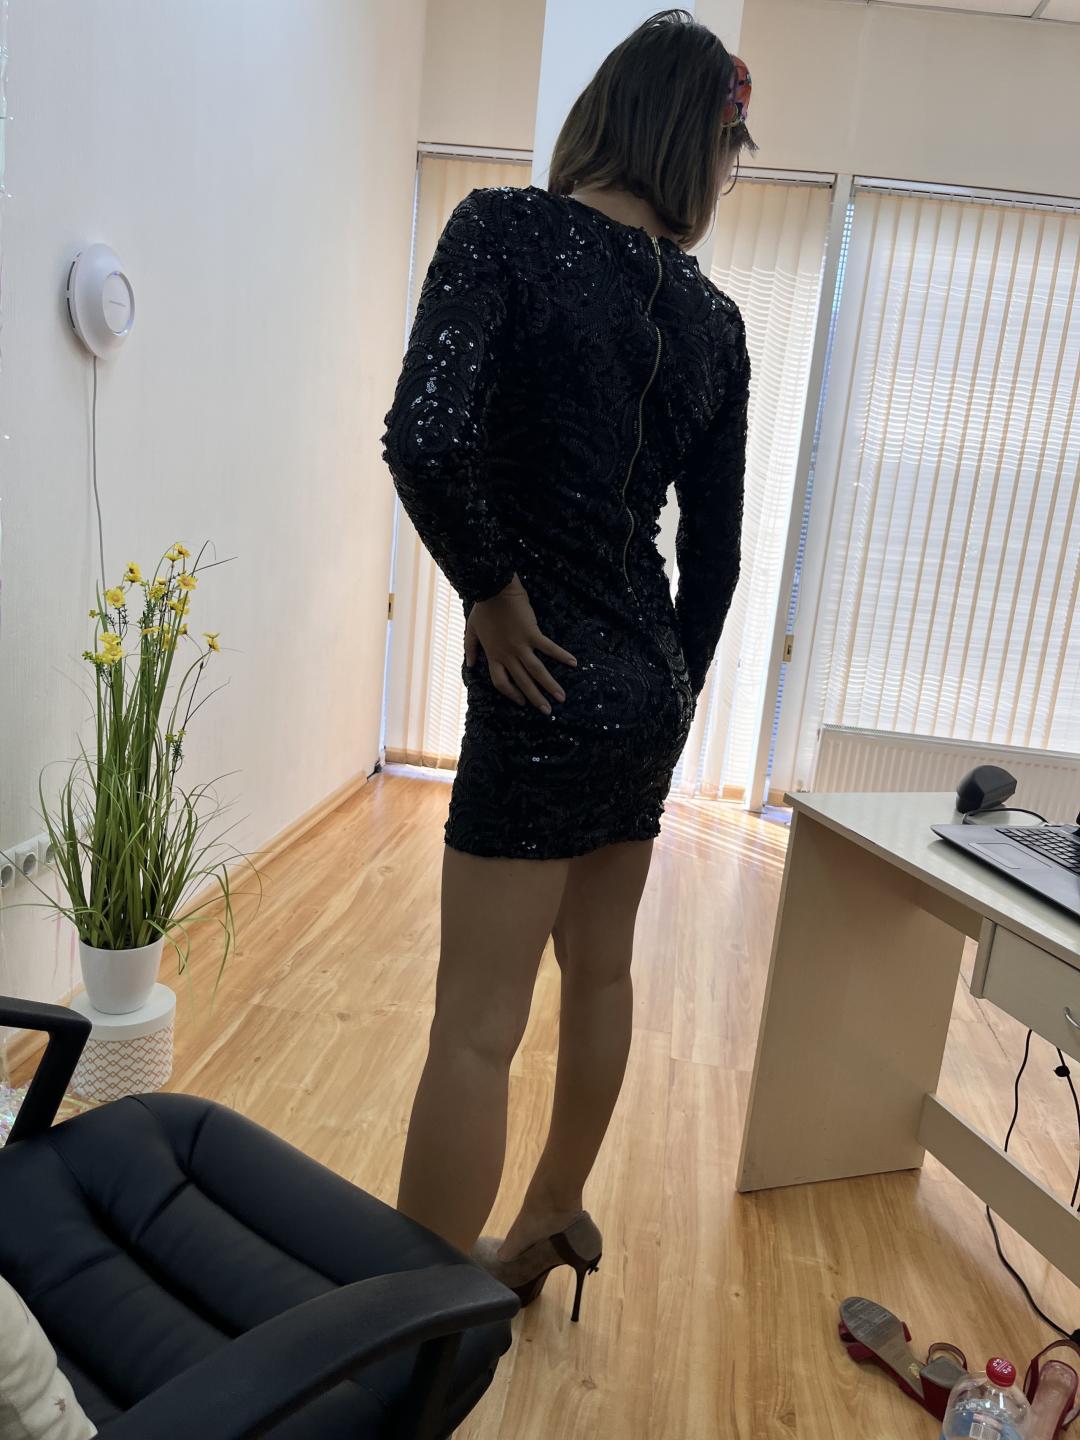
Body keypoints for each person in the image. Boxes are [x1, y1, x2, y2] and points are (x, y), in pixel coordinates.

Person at [381, 8, 755, 1324]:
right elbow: (714, 558)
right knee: (602, 973)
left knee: (476, 1023)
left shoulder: (503, 231)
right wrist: (674, 699)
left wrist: (491, 595)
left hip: (537, 682)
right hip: (645, 682)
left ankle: (403, 1336)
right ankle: (551, 1209)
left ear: (603, 117)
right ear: (694, 152)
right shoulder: (717, 323)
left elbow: (424, 439)